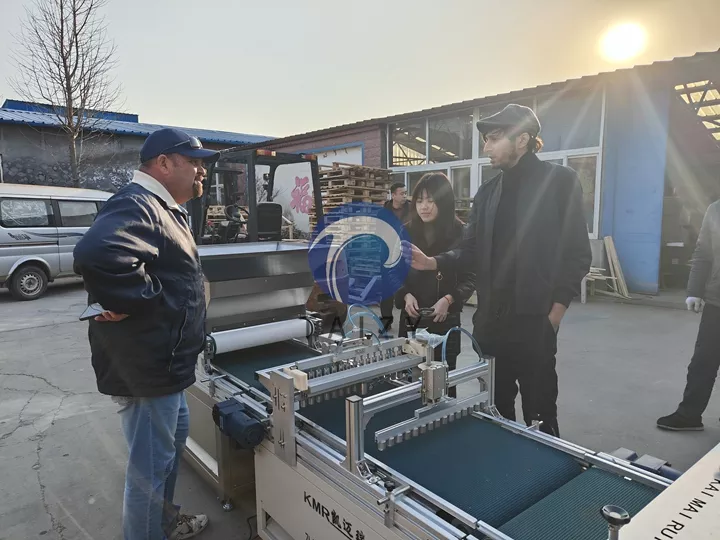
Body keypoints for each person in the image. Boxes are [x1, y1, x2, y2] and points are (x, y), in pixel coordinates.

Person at [409, 104, 591, 437]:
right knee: (494, 410)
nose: (486, 148)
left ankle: (545, 475)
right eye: (485, 140)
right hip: (490, 326)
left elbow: (578, 253)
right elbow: (470, 250)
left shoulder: (560, 182)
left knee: (540, 413)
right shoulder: (488, 193)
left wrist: (556, 312)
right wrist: (433, 262)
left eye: (494, 138)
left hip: (535, 322)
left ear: (523, 139)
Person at [73, 128, 218, 540]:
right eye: (193, 161)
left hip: (164, 365)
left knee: (168, 451)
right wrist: (140, 301)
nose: (200, 169)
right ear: (164, 163)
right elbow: (97, 253)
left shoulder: (165, 207)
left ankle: (164, 524)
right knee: (149, 471)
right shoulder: (139, 204)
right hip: (147, 368)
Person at [394, 172, 475, 397]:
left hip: (445, 320)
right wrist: (405, 294)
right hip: (412, 319)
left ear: (444, 201)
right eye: (419, 200)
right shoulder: (406, 231)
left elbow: (470, 277)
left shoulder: (460, 232)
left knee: (445, 385)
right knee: (411, 384)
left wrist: (449, 299)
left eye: (431, 200)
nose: (424, 207)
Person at [657, 201, 720, 431]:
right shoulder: (715, 210)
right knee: (703, 362)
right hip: (717, 301)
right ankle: (689, 415)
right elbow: (703, 252)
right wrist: (694, 291)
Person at [381, 183, 411, 327]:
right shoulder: (383, 212)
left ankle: (409, 321)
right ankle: (386, 321)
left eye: (406, 193)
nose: (405, 196)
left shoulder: (412, 209)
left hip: (406, 253)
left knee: (407, 287)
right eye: (402, 193)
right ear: (393, 195)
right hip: (387, 253)